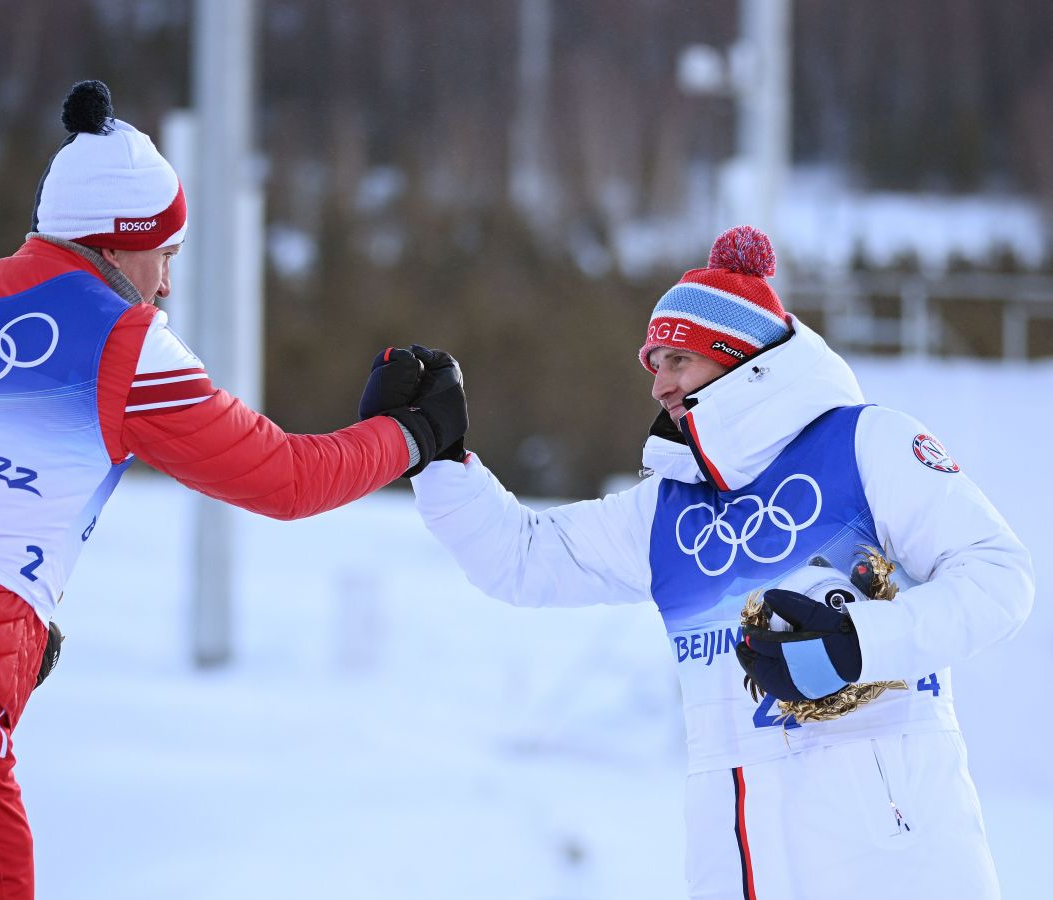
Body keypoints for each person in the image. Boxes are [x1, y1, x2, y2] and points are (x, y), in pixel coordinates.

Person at [0, 80, 466, 899]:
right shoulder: (122, 340)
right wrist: (414, 435)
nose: (166, 284)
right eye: (166, 255)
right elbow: (281, 479)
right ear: (122, 244)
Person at [383, 225, 1033, 899]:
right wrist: (437, 455)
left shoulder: (870, 442)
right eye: (654, 362)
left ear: (739, 359)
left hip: (895, 857)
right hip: (739, 862)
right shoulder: (668, 507)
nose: (658, 383)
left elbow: (999, 578)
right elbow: (520, 558)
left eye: (676, 361)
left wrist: (857, 643)